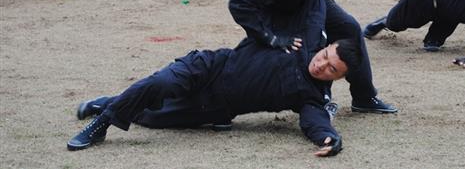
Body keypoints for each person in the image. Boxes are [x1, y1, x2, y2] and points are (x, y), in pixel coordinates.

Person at [66, 37, 361, 157]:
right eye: (325, 56)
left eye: (330, 69)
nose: (321, 65)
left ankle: (107, 102)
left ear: (338, 78)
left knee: (152, 117)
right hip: (208, 67)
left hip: (214, 107)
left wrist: (329, 138)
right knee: (160, 84)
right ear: (326, 46)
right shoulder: (295, 40)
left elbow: (315, 120)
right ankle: (101, 124)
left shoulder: (313, 94)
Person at [229, 0, 396, 113]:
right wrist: (270, 37)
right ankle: (224, 95)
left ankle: (364, 97)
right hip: (275, 9)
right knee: (293, 50)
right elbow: (239, 3)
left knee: (349, 28)